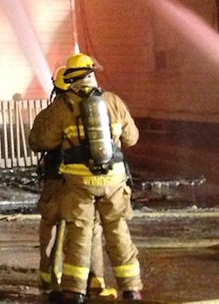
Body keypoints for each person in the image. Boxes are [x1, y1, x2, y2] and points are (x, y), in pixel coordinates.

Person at [30, 53, 142, 303]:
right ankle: (131, 288)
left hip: (79, 183)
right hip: (114, 180)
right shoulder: (113, 101)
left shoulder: (63, 105)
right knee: (117, 230)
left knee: (80, 232)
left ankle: (74, 291)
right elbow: (132, 138)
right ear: (92, 75)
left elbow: (45, 141)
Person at [35, 67, 113, 302]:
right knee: (89, 229)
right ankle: (94, 280)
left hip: (57, 178)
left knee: (52, 224)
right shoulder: (102, 107)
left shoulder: (52, 112)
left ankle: (52, 279)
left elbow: (36, 141)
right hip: (90, 178)